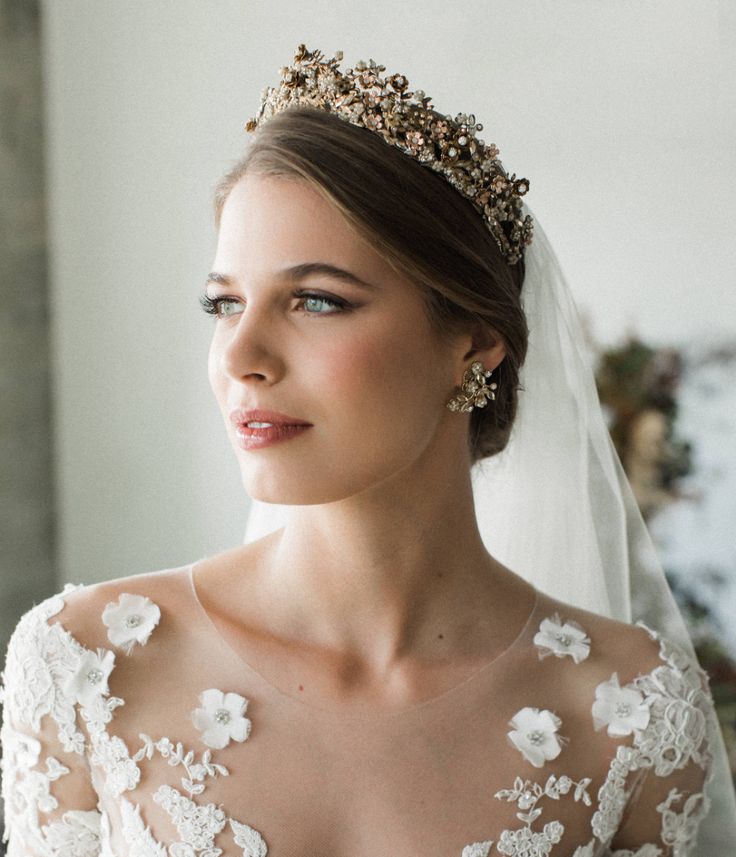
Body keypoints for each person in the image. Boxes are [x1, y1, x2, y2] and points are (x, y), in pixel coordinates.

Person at [1, 44, 734, 857]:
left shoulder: (632, 711)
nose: (242, 354)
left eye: (315, 300)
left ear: (474, 342)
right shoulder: (86, 666)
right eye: (224, 302)